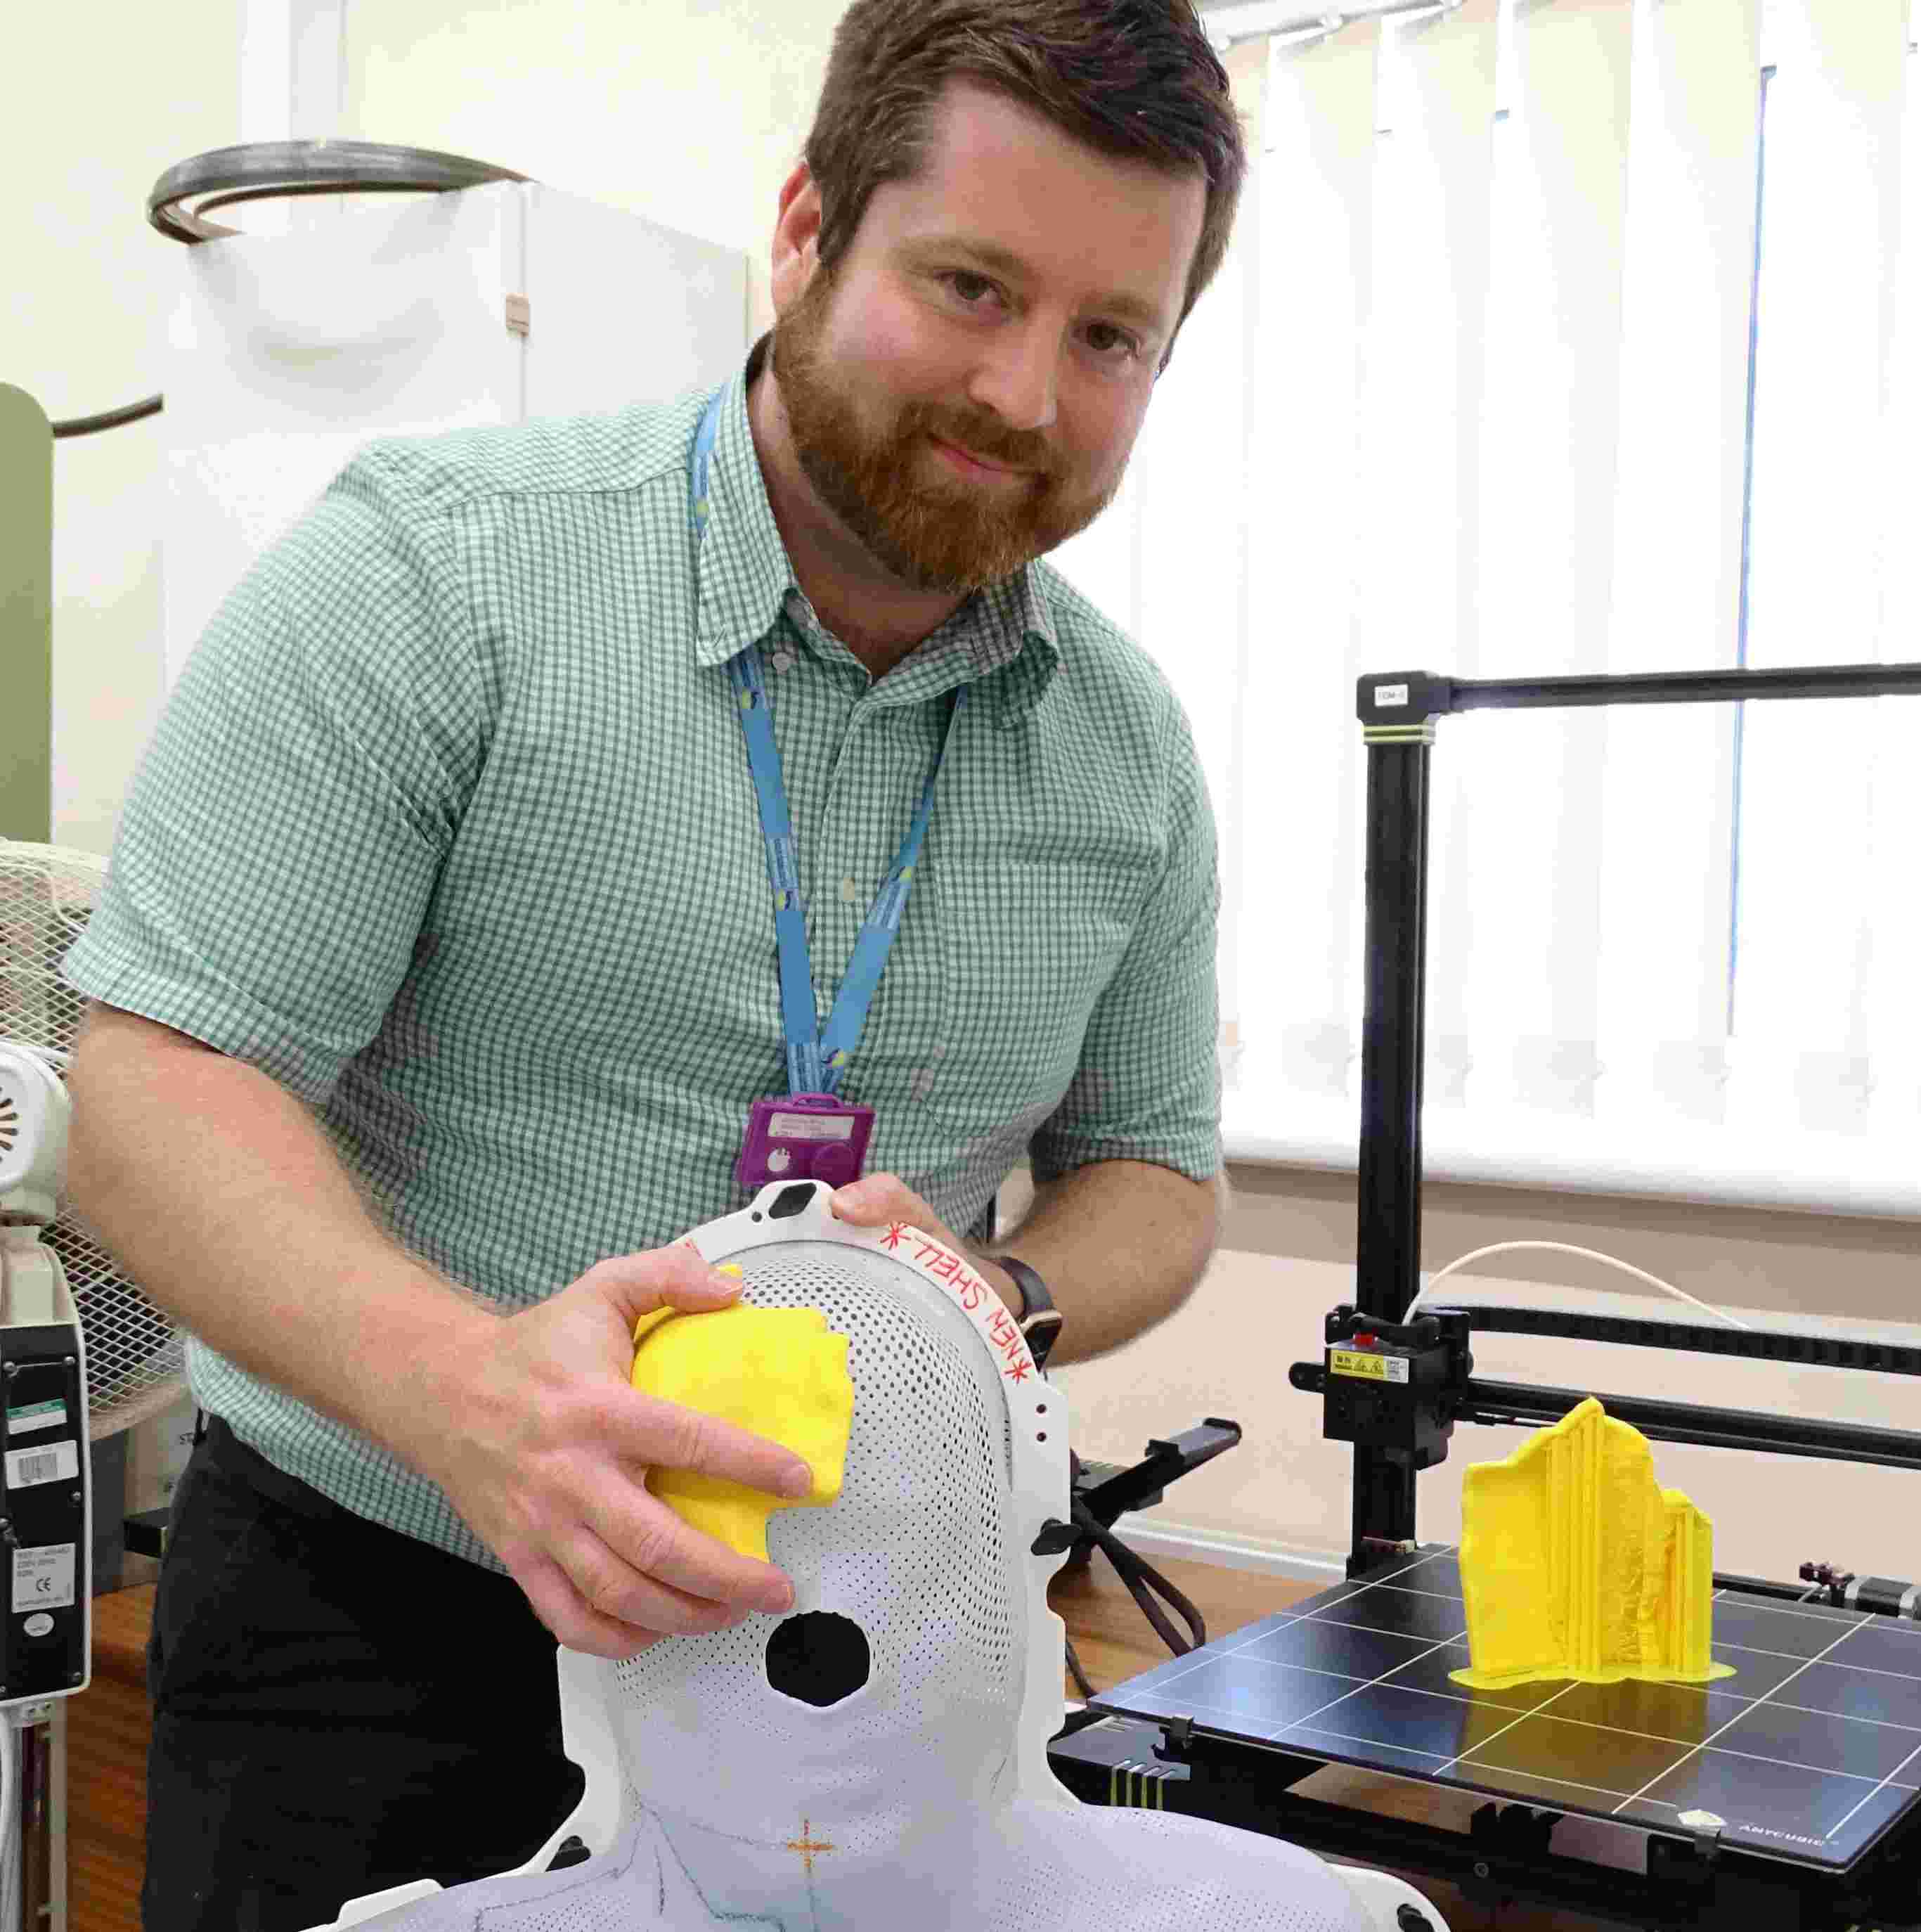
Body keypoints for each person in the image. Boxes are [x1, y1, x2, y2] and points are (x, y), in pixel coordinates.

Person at [59, 4, 1248, 1926]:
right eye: (968, 285)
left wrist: (1002, 1285)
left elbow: (1157, 1182)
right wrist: (472, 1394)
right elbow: (148, 1090)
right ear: (804, 229)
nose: (1027, 393)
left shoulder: (1124, 749)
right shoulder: (435, 581)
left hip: (865, 1645)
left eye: (1108, 336)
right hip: (380, 1621)